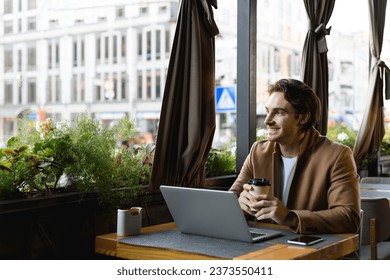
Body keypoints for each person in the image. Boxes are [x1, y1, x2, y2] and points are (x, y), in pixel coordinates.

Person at [229, 78, 360, 234]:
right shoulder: (258, 151)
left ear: (303, 117)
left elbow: (349, 217)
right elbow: (230, 202)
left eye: (278, 112)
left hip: (315, 250)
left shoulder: (337, 155)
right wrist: (240, 204)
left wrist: (290, 218)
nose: (267, 120)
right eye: (267, 111)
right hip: (267, 247)